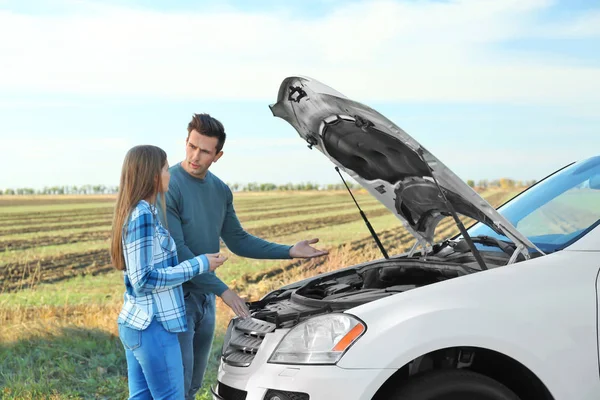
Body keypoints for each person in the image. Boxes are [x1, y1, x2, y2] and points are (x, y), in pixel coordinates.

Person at [160, 113, 329, 399]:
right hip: (176, 298)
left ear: (218, 155)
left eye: (204, 151)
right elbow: (179, 251)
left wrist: (289, 250)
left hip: (205, 299)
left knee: (192, 386)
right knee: (175, 385)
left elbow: (238, 241)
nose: (195, 156)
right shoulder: (169, 185)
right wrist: (224, 291)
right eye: (191, 146)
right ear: (186, 142)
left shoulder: (220, 190)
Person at [110, 144, 228, 399]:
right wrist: (199, 264)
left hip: (138, 323)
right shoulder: (142, 214)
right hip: (153, 326)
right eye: (165, 168)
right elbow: (144, 279)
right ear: (153, 175)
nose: (169, 174)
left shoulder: (144, 211)